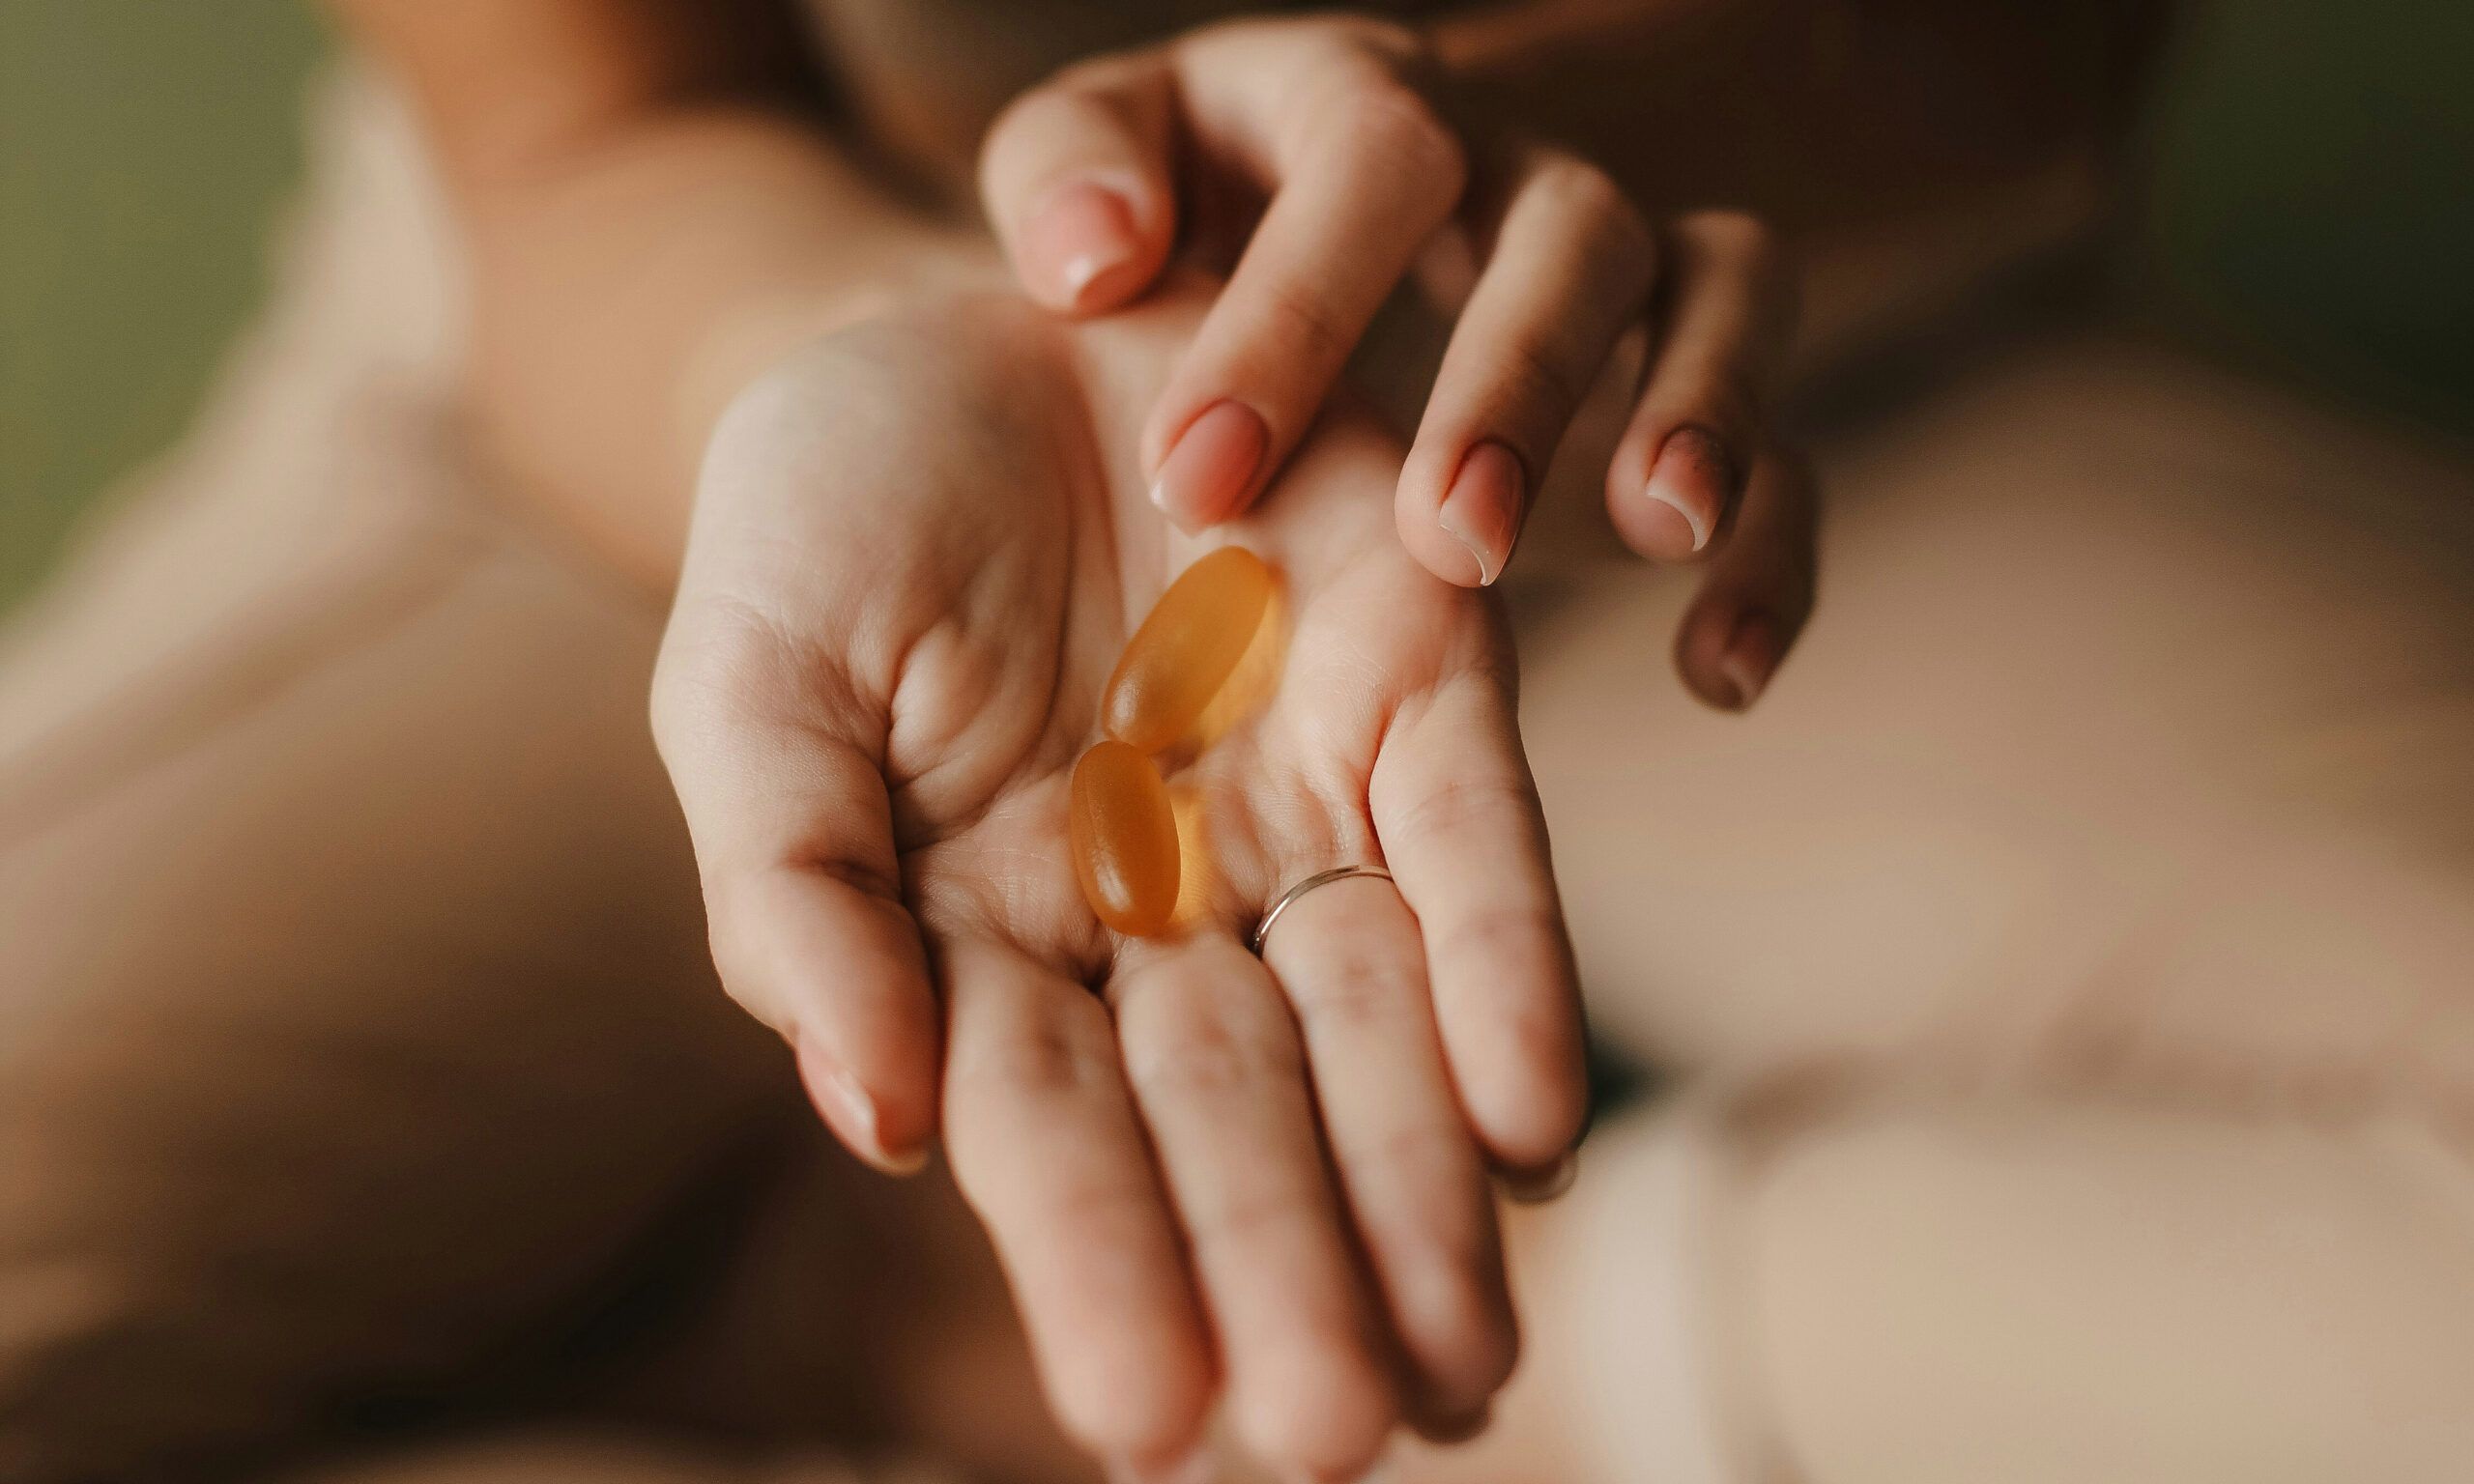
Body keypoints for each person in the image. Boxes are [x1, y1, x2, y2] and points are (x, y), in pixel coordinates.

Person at [6, 3, 2472, 1482]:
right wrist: (883, 335)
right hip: (710, 383)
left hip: (1758, 402)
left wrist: (1500, 150)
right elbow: (579, 138)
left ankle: (970, 1353)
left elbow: (2028, 52)